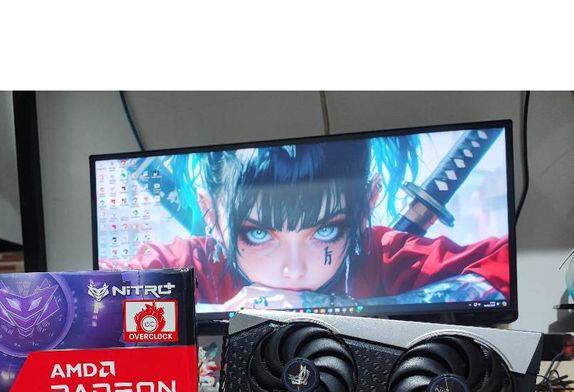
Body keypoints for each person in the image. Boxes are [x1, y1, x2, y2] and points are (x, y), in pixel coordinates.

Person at [102, 138, 509, 312]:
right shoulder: (190, 267)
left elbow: (504, 266)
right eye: (257, 233)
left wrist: (345, 311)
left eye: (325, 231)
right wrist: (222, 316)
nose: (294, 270)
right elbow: (86, 303)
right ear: (210, 213)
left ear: (367, 203)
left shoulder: (384, 257)